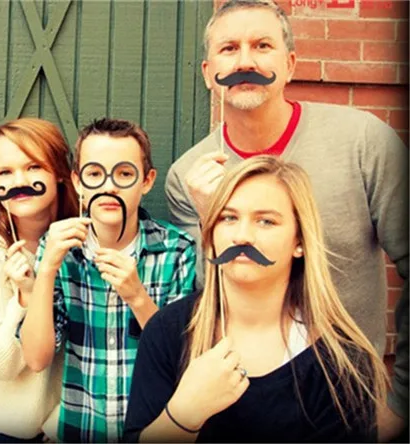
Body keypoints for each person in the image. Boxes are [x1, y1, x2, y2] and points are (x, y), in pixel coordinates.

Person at [163, 0, 408, 438]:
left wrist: (402, 401)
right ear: (208, 72)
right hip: (237, 407)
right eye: (229, 49)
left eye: (262, 46)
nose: (245, 62)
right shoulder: (188, 176)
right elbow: (209, 298)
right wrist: (208, 219)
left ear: (290, 63)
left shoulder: (364, 142)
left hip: (350, 407)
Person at [125, 156, 388, 442]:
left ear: (299, 242)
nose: (242, 236)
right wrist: (182, 415)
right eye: (229, 218)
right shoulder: (167, 331)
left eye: (266, 221)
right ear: (210, 234)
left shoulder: (341, 364)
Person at [20, 118, 197, 442]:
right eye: (94, 174)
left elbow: (184, 359)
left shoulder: (177, 250)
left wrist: (138, 297)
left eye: (125, 174)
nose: (109, 186)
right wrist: (46, 270)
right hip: (82, 430)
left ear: (147, 181)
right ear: (77, 182)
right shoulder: (59, 249)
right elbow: (36, 358)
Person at [0, 118, 78, 442]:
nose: (19, 182)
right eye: (5, 172)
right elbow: (0, 365)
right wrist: (23, 300)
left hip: (63, 427)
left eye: (33, 167)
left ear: (59, 172)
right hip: (2, 428)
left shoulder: (78, 242)